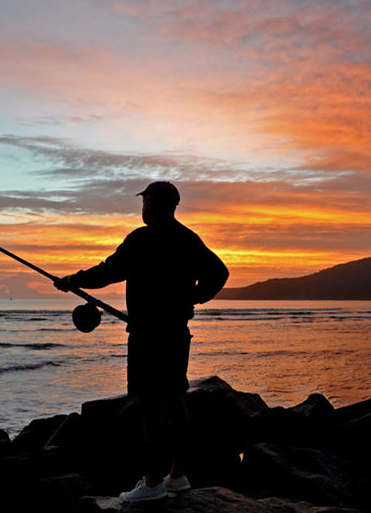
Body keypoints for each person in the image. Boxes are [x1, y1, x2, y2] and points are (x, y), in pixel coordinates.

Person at [54, 181, 229, 502]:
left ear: (155, 203)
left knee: (150, 409)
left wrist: (71, 281)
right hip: (176, 332)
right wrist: (190, 298)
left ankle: (151, 484)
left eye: (145, 201)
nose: (142, 207)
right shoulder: (189, 239)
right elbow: (220, 273)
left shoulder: (142, 238)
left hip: (148, 336)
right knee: (176, 402)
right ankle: (177, 476)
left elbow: (108, 271)